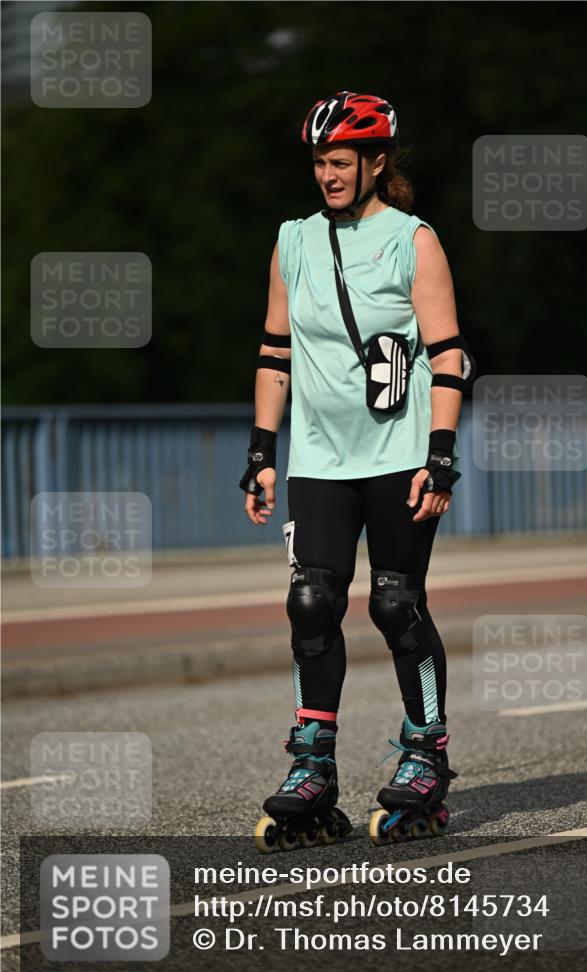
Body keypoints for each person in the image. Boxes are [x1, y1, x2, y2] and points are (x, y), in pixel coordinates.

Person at [240, 91, 474, 851]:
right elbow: (275, 354)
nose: (328, 175)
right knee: (311, 600)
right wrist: (260, 453)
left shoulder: (413, 240)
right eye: (318, 162)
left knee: (396, 604)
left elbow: (447, 357)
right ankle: (312, 764)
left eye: (340, 161)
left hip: (400, 453)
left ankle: (424, 753)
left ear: (376, 162)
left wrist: (440, 456)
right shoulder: (293, 240)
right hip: (320, 457)